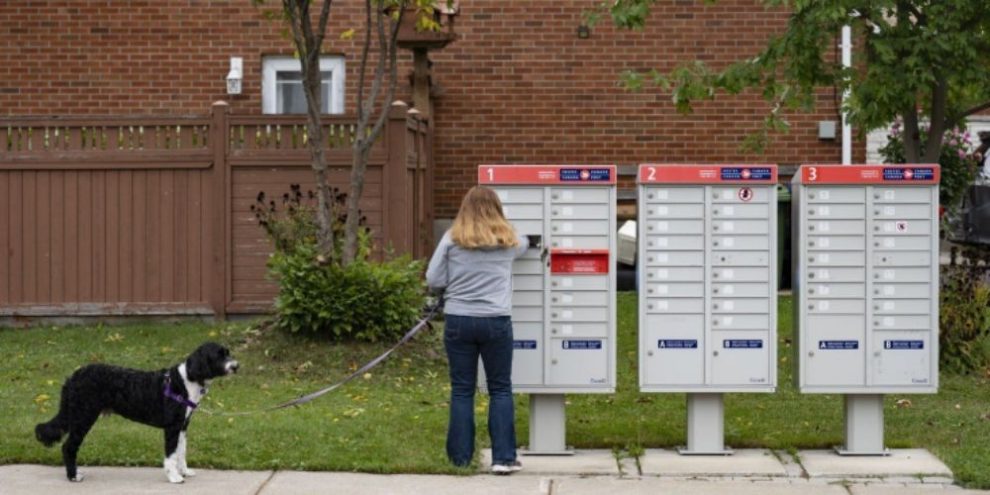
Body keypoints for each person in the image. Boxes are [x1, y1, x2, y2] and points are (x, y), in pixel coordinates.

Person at [426, 186, 529, 474]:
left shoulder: (452, 238)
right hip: (496, 320)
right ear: (497, 209)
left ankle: (460, 459)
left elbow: (433, 278)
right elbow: (526, 244)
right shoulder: (509, 241)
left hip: (459, 320)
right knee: (500, 388)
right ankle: (504, 458)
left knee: (462, 390)